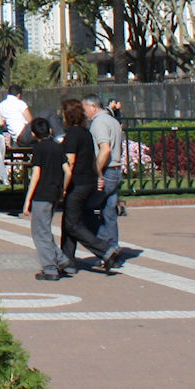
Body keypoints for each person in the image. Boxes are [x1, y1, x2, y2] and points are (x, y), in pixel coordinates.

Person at [57, 98, 116, 274]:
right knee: (68, 221)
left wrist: (63, 187)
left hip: (78, 184)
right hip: (88, 182)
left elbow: (71, 163)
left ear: (67, 117)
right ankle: (67, 261)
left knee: (73, 224)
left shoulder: (72, 136)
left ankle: (105, 250)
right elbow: (90, 158)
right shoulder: (85, 133)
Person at [20, 117, 68, 280]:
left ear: (34, 134)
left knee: (39, 232)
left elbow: (36, 175)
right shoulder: (58, 147)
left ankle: (50, 268)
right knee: (45, 230)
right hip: (54, 193)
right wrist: (64, 189)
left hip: (41, 194)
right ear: (50, 131)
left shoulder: (39, 149)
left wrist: (28, 200)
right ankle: (60, 259)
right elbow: (67, 171)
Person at [84, 93, 127, 262]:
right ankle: (113, 247)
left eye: (85, 108)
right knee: (109, 211)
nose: (84, 113)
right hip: (116, 169)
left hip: (107, 170)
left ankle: (106, 246)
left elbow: (105, 149)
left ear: (93, 107)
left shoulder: (99, 122)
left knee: (86, 209)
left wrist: (96, 170)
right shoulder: (113, 121)